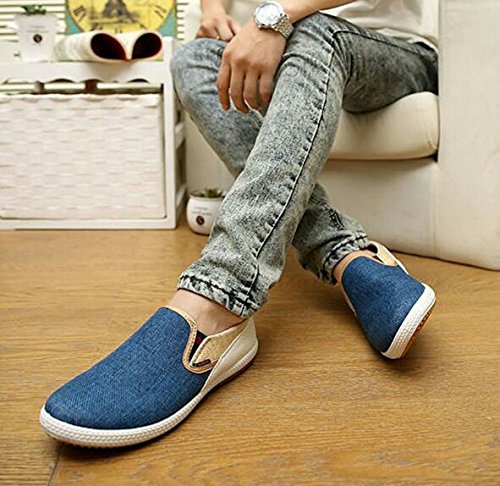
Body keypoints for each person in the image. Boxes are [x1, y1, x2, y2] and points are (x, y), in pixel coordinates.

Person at [39, 0, 439, 448]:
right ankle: (341, 251)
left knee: (312, 32)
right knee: (193, 58)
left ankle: (219, 295)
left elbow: (296, 22)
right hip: (287, 40)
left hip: (390, 53)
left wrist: (275, 18)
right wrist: (214, 13)